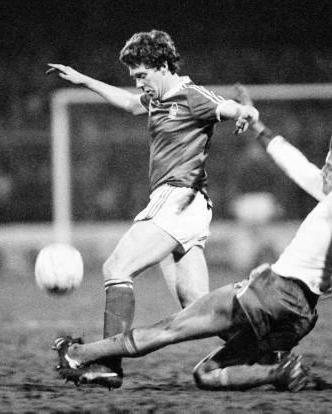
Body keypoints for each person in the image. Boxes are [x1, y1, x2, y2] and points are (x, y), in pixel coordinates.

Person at [53, 118, 332, 391]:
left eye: (329, 167)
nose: (323, 172)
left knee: (172, 328)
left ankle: (80, 354)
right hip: (299, 317)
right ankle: (279, 371)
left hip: (271, 295)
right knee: (206, 374)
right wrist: (261, 129)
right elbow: (299, 167)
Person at [46, 30, 259, 388]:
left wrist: (247, 112)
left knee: (117, 268)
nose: (138, 82)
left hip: (179, 199)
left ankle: (107, 364)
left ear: (163, 66)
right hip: (188, 207)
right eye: (134, 76)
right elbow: (130, 104)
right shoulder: (156, 98)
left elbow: (230, 107)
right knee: (199, 308)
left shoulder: (191, 96)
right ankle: (267, 353)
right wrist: (84, 80)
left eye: (142, 74)